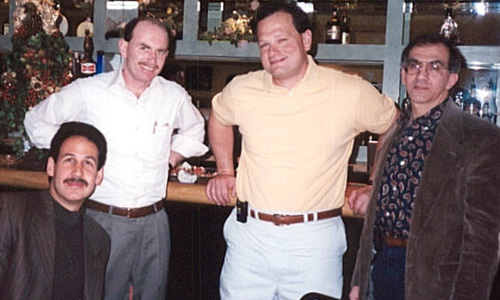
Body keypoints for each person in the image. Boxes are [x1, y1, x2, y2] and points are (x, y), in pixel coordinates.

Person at [205, 1, 397, 299]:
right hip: (249, 238)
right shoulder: (243, 89)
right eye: (264, 44)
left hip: (314, 241)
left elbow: (393, 123)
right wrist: (224, 170)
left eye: (282, 40)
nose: (273, 51)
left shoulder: (349, 90)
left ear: (306, 40)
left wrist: (376, 183)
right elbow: (219, 116)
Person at [23, 16, 208, 300]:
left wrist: (170, 159)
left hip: (155, 223)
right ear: (124, 47)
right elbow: (36, 122)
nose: (152, 59)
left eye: (160, 52)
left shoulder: (173, 96)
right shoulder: (89, 91)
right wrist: (78, 157)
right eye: (144, 48)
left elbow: (196, 129)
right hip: (101, 219)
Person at [349, 34, 500, 300]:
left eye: (434, 67)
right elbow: (375, 216)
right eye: (415, 66)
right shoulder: (394, 130)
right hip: (381, 266)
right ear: (403, 74)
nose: (422, 75)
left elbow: (482, 241)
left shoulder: (479, 138)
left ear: (451, 79)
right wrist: (359, 280)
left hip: (436, 279)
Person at [0, 121, 110, 299]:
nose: (78, 171)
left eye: (88, 163)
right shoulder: (11, 211)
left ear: (99, 176)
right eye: (69, 160)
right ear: (51, 167)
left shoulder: (99, 239)